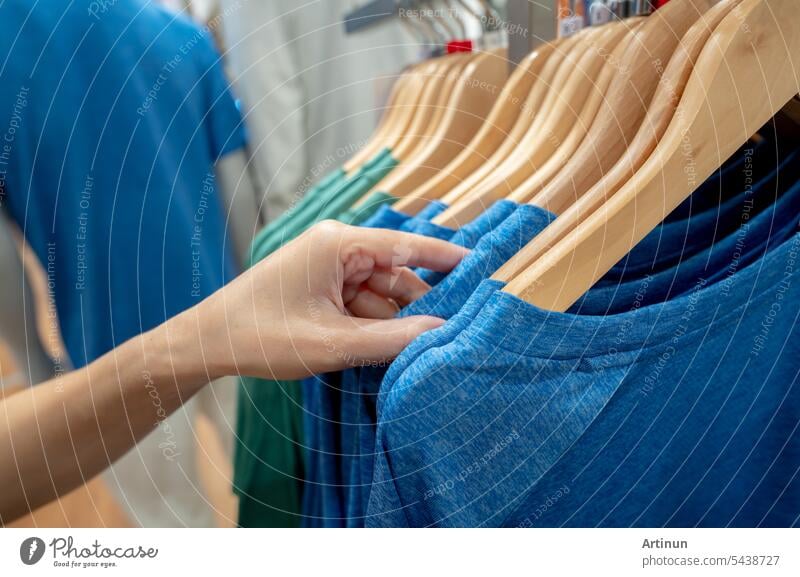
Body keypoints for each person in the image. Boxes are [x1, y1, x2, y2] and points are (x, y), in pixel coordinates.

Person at [0, 221, 467, 523]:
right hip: (205, 284)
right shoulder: (189, 59)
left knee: (168, 511)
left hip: (104, 330)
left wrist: (37, 363)